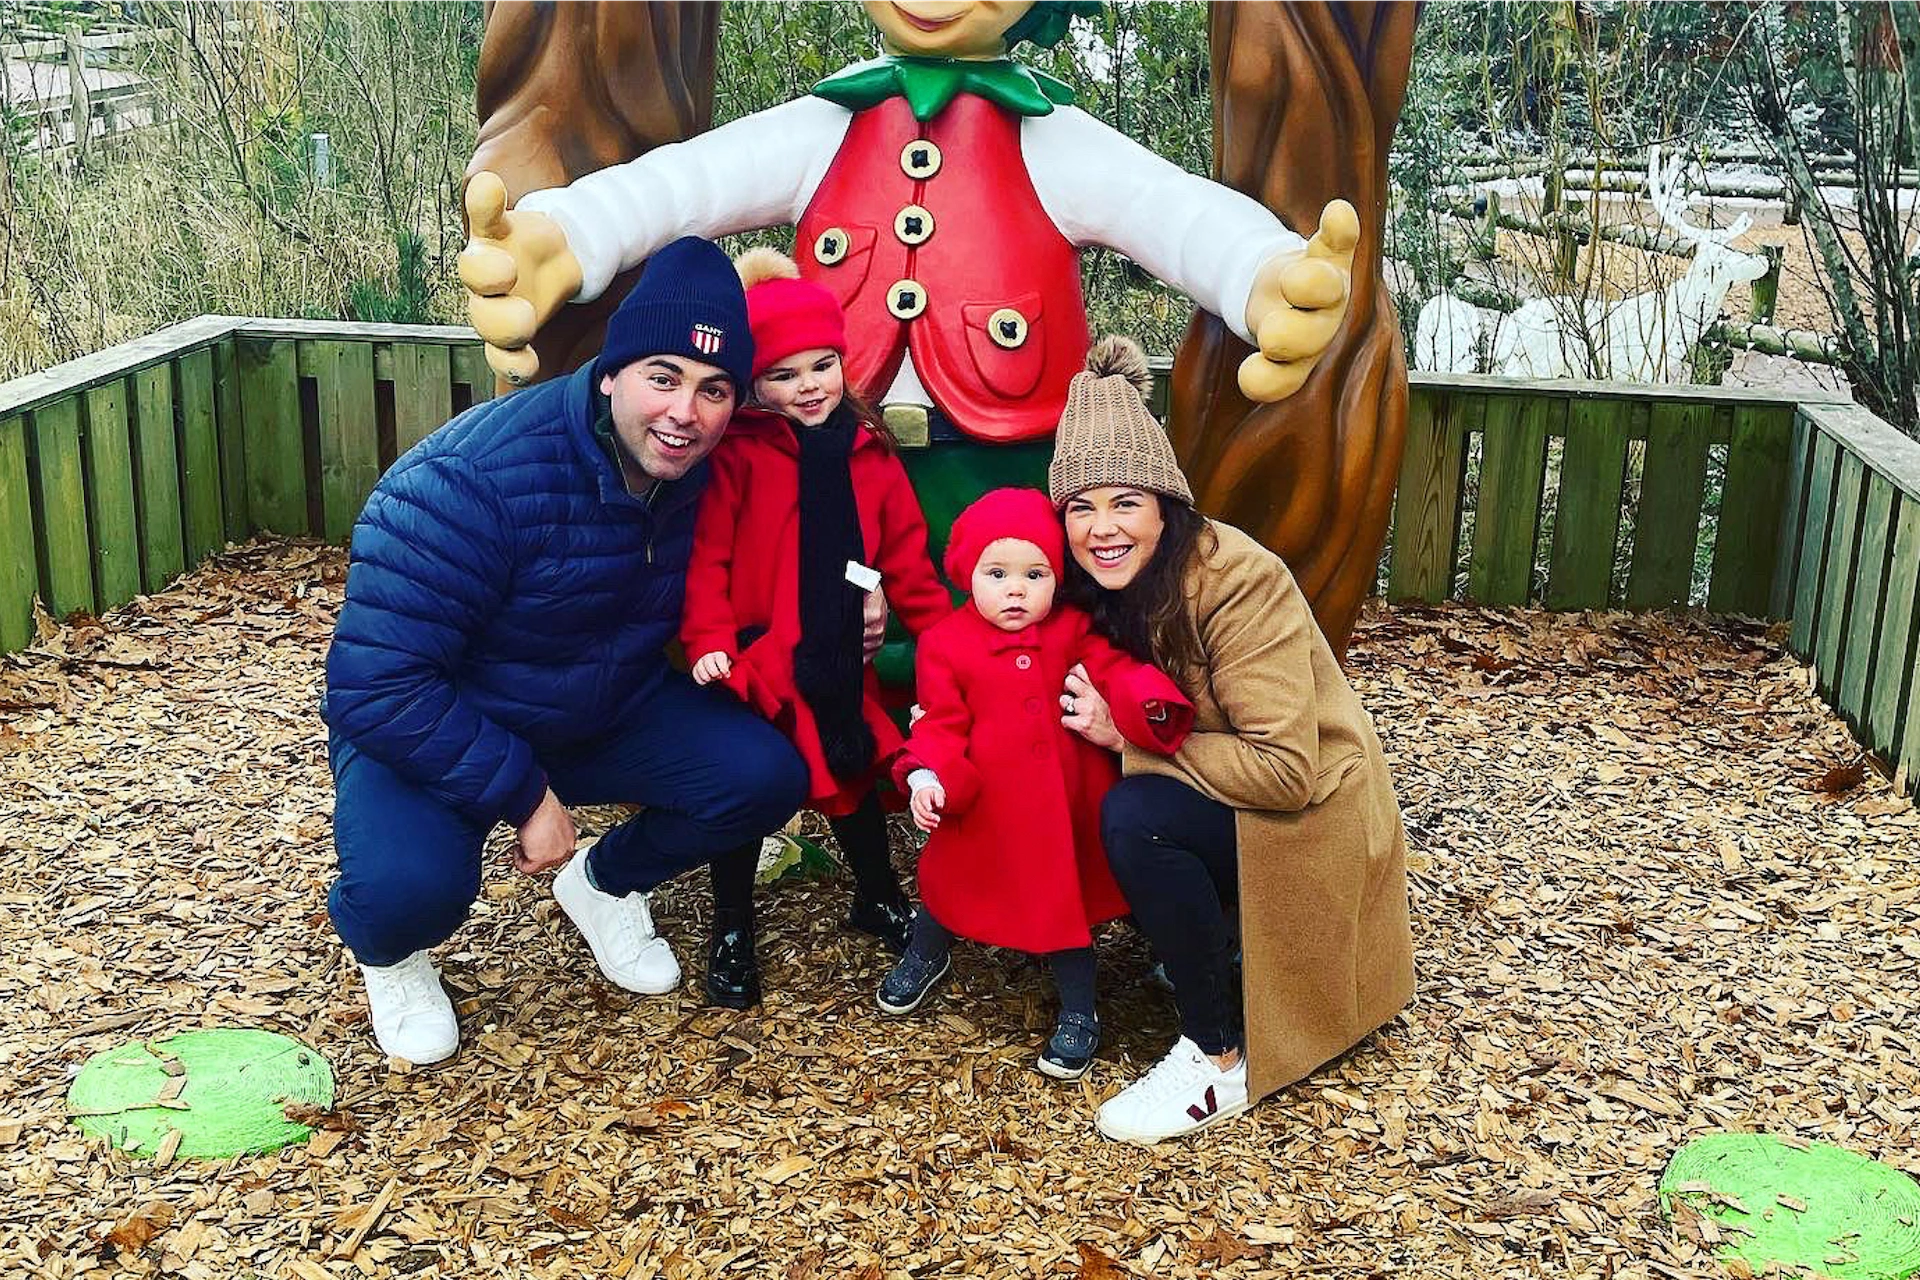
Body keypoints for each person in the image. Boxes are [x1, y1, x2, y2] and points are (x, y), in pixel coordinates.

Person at [322, 237, 808, 1066]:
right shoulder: (467, 480)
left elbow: (801, 535)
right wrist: (525, 794)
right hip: (444, 720)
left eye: (714, 389)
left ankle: (604, 882)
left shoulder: (706, 472)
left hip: (601, 707)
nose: (685, 413)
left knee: (763, 777)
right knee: (408, 889)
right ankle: (392, 957)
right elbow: (376, 685)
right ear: (611, 372)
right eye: (664, 377)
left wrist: (860, 602)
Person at [1046, 337, 1416, 1143]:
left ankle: (1216, 1058)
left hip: (1315, 810)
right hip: (1226, 782)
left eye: (1124, 502)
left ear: (1166, 504)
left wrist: (1124, 740)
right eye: (1080, 507)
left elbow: (1284, 770)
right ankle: (1204, 946)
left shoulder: (1236, 580)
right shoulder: (1107, 582)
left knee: (1137, 814)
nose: (1101, 528)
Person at [681, 248, 953, 1008]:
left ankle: (876, 894)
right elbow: (708, 558)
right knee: (747, 784)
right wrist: (708, 641)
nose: (809, 386)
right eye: (784, 374)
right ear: (755, 384)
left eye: (822, 366)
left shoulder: (868, 454)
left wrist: (942, 640)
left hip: (833, 651)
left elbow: (903, 557)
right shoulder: (739, 457)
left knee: (851, 772)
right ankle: (732, 923)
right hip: (755, 658)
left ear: (843, 364)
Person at [879, 485, 1191, 1081]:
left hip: (1065, 808)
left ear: (1058, 579)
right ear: (967, 575)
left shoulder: (1071, 629)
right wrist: (926, 775)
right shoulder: (946, 643)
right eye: (997, 574)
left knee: (1063, 902)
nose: (1016, 590)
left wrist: (1149, 700)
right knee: (952, 887)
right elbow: (941, 722)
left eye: (1035, 573)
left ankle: (1079, 1009)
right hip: (987, 806)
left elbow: (1114, 669)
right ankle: (926, 952)